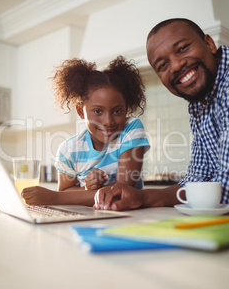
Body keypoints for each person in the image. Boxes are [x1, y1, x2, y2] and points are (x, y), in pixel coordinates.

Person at [94, 18, 229, 212]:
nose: (177, 65)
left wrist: (147, 197)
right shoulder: (200, 105)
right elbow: (197, 178)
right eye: (163, 65)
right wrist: (141, 197)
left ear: (209, 44)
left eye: (182, 48)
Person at [22, 56, 150, 206]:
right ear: (81, 112)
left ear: (126, 109)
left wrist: (53, 198)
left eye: (117, 111)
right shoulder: (68, 150)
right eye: (97, 111)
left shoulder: (131, 128)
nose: (108, 121)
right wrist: (86, 188)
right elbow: (65, 190)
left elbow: (122, 193)